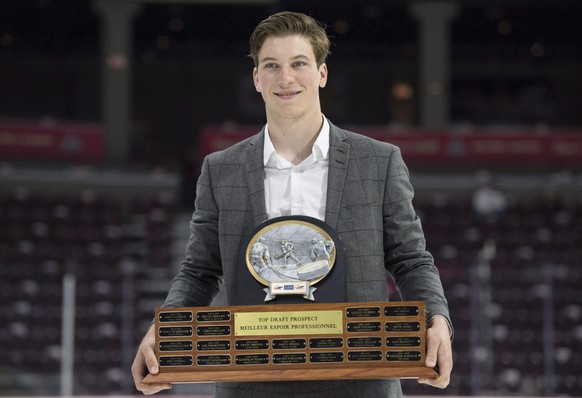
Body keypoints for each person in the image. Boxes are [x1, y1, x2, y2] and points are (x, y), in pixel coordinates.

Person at [132, 11, 453, 397]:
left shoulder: (378, 162)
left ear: (322, 73)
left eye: (298, 64)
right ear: (256, 78)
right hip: (253, 384)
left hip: (360, 381)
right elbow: (200, 271)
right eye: (272, 66)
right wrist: (162, 330)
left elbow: (409, 258)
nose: (285, 78)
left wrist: (437, 319)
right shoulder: (221, 170)